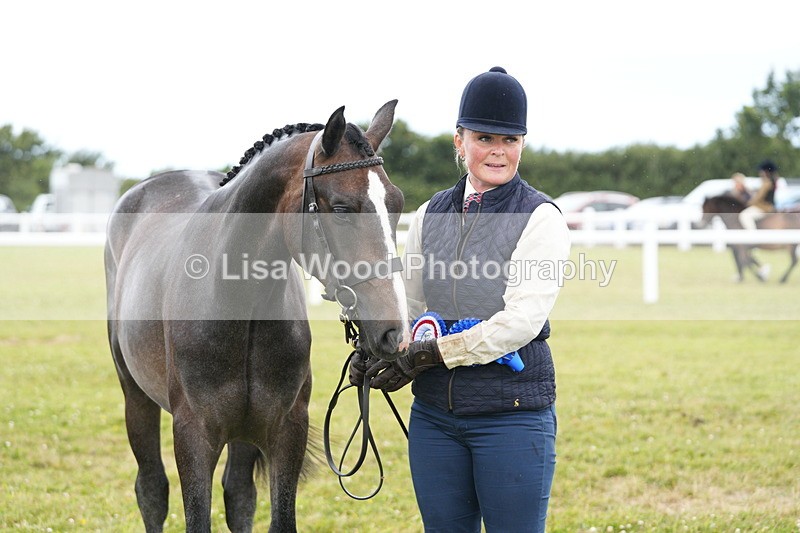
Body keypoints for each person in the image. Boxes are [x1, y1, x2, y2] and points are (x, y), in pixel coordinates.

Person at [350, 66, 571, 532]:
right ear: (459, 140)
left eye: (510, 140)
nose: (498, 151)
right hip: (434, 418)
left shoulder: (541, 217)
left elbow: (522, 320)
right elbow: (408, 302)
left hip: (510, 416)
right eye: (485, 137)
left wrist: (435, 353)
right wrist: (380, 348)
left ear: (522, 144)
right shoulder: (430, 213)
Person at [739, 160, 778, 230]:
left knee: (744, 216)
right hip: (769, 207)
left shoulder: (766, 183)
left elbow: (758, 198)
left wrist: (748, 203)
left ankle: (753, 237)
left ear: (765, 172)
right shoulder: (772, 182)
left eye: (761, 171)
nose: (760, 173)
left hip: (764, 208)